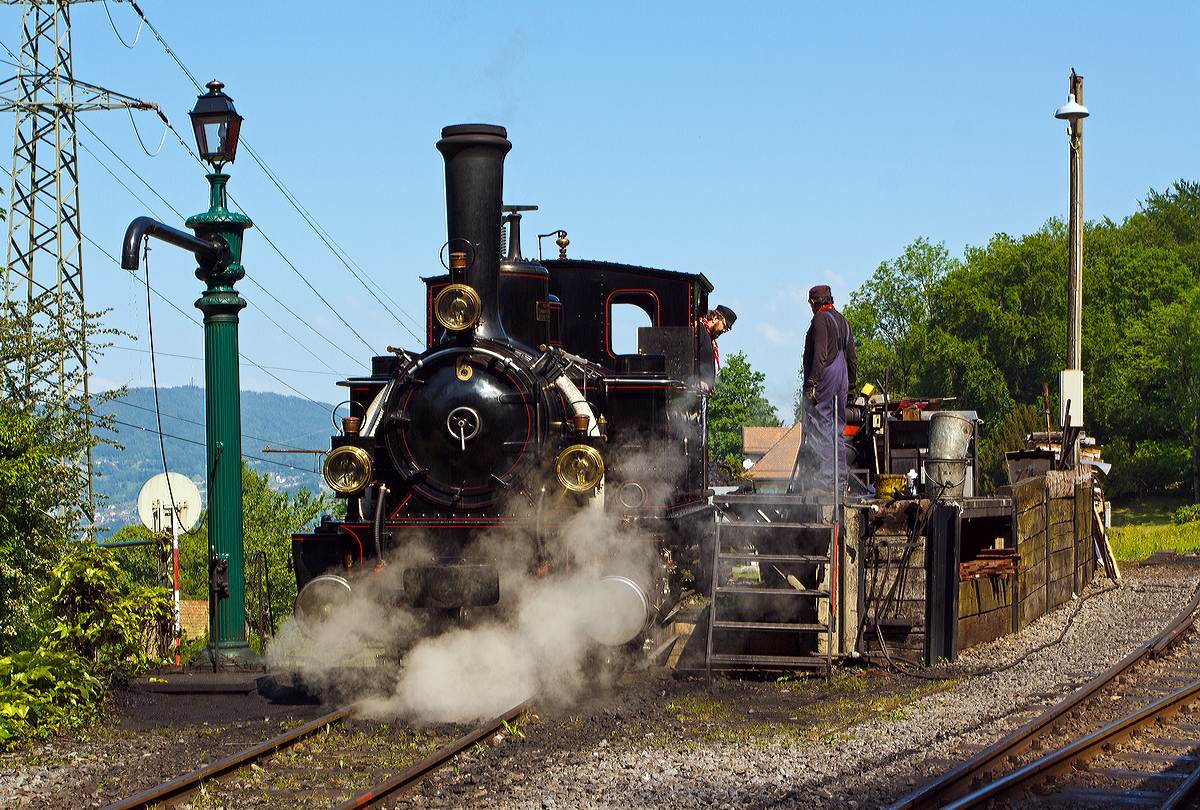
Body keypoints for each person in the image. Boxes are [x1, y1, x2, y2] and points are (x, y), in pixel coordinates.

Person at [798, 285, 856, 492]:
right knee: (837, 430)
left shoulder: (821, 320)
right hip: (842, 377)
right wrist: (851, 388)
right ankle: (840, 481)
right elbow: (853, 359)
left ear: (813, 302)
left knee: (822, 426)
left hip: (827, 375)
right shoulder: (843, 321)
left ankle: (826, 482)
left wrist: (811, 383)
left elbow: (820, 353)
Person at [695, 305, 736, 393]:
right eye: (724, 326)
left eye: (726, 329)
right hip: (695, 391)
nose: (724, 330)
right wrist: (697, 382)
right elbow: (689, 356)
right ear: (715, 318)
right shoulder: (700, 330)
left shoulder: (709, 338)